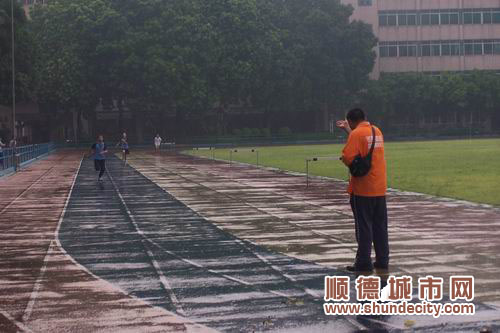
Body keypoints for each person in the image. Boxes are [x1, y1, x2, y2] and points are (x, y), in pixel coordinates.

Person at [337, 108, 389, 273]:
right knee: (380, 227)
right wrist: (348, 130)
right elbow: (364, 146)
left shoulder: (356, 134)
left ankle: (364, 263)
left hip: (363, 189)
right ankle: (382, 260)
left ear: (351, 121)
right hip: (379, 188)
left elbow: (347, 156)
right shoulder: (376, 131)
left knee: (364, 228)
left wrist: (349, 162)